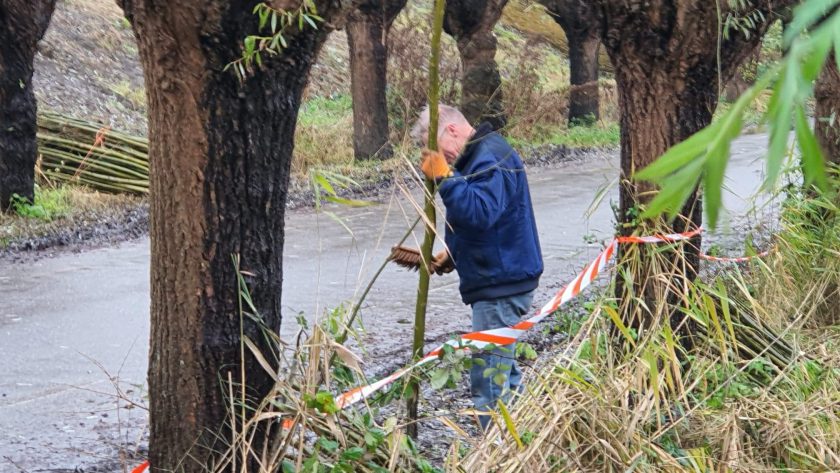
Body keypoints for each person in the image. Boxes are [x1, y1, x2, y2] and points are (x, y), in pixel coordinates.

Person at [409, 104, 543, 430]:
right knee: (503, 373)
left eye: (438, 149)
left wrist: (444, 176)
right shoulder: (478, 157)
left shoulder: (490, 157)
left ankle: (496, 449)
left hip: (501, 286)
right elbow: (483, 221)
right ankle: (523, 442)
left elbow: (480, 213)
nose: (442, 158)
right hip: (499, 280)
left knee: (489, 380)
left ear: (452, 130)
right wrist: (453, 254)